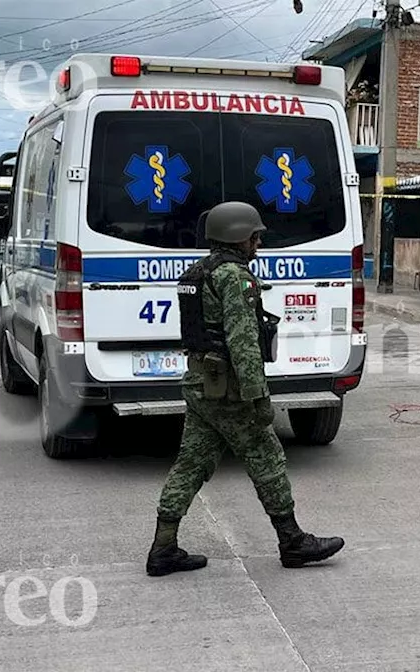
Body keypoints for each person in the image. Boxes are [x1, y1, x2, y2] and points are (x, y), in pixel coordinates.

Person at [147, 201, 344, 576]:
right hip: (231, 390)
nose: (258, 243)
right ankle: (292, 542)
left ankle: (163, 547)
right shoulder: (234, 278)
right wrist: (258, 396)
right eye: (254, 236)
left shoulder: (197, 273)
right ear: (237, 236)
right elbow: (243, 341)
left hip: (201, 383)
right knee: (267, 460)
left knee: (190, 464)